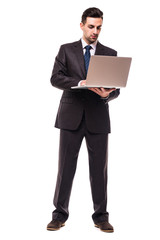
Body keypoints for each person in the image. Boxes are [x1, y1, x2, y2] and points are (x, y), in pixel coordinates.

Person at [47, 7, 120, 233]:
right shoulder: (66, 50)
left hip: (98, 117)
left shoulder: (110, 53)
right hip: (71, 117)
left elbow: (116, 88)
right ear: (82, 26)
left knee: (99, 170)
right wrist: (80, 83)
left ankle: (101, 217)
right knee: (65, 168)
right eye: (91, 26)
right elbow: (55, 78)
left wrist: (109, 94)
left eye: (98, 27)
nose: (95, 31)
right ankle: (59, 215)